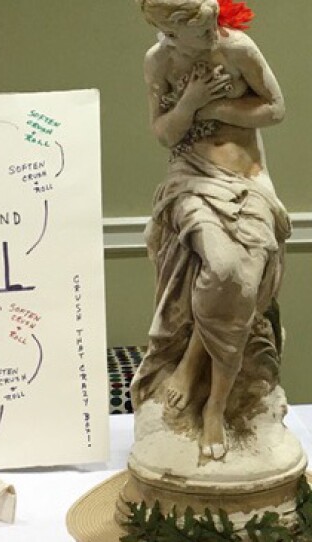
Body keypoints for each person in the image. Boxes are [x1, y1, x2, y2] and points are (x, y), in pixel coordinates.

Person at [131, 0, 290, 460]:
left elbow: (276, 109)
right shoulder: (158, 62)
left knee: (243, 277)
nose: (212, 37)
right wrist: (191, 101)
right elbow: (163, 133)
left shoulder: (236, 46)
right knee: (221, 266)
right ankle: (194, 380)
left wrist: (216, 107)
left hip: (246, 179)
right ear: (167, 31)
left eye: (211, 26)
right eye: (200, 34)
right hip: (191, 179)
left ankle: (213, 400)